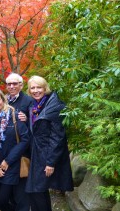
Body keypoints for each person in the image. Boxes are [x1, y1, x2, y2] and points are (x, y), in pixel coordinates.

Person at [25, 76, 74, 211]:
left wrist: (50, 162)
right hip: (36, 153)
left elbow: (57, 137)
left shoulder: (54, 106)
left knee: (36, 190)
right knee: (35, 191)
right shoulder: (35, 105)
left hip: (47, 155)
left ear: (45, 88)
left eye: (38, 87)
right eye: (32, 88)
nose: (35, 90)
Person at [0, 88, 30, 211]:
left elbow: (25, 139)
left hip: (11, 164)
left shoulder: (14, 115)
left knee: (4, 199)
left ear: (3, 100)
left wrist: (8, 161)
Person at [5, 73, 33, 211]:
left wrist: (27, 119)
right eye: (9, 84)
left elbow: (36, 125)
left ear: (21, 85)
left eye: (15, 83)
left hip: (22, 151)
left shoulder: (28, 101)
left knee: (21, 189)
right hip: (6, 151)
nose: (12, 86)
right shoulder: (4, 101)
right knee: (8, 190)